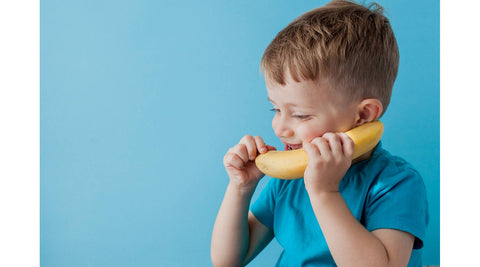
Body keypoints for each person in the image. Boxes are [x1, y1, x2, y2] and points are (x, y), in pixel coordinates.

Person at [210, 0, 429, 266]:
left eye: (301, 115)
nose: (279, 127)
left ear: (363, 115)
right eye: (275, 109)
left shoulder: (395, 184)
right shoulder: (287, 180)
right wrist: (240, 188)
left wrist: (325, 192)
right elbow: (227, 261)